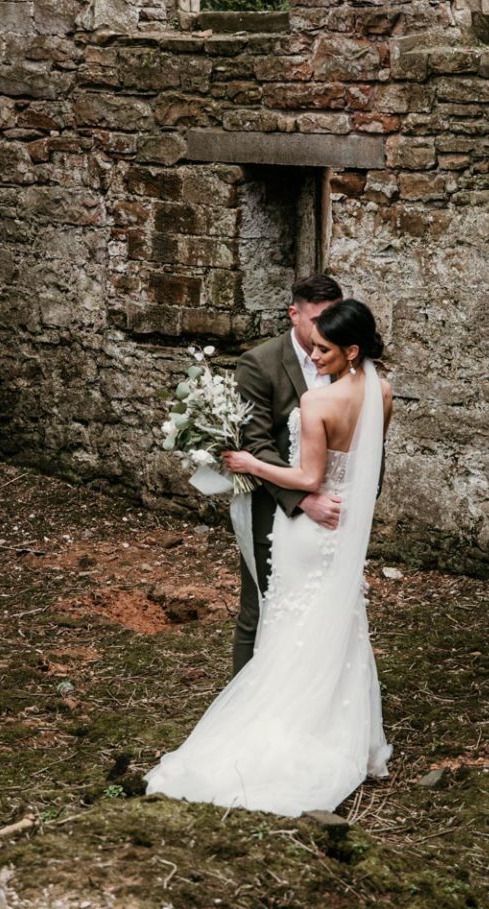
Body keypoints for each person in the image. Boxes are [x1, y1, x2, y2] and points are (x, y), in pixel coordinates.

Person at [144, 299, 393, 817]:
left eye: (324, 349)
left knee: (286, 623)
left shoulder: (321, 405)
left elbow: (306, 480)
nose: (314, 355)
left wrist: (249, 462)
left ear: (351, 350)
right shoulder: (381, 393)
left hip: (304, 528)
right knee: (337, 621)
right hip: (342, 529)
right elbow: (362, 467)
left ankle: (282, 729)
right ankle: (344, 732)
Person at [229, 274, 346, 676]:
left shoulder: (346, 358)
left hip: (334, 511)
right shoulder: (259, 364)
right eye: (317, 320)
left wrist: (357, 500)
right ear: (293, 314)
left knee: (324, 608)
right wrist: (304, 499)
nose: (327, 330)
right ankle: (240, 706)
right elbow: (257, 445)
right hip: (272, 503)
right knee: (261, 604)